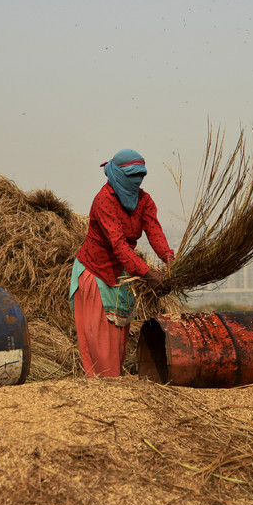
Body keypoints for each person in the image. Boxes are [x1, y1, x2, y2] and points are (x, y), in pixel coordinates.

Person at [69, 148, 175, 377]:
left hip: (121, 276)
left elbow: (155, 233)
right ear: (117, 174)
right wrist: (148, 274)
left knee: (116, 344)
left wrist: (170, 262)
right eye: (132, 176)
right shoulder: (104, 200)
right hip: (95, 276)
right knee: (100, 345)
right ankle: (103, 394)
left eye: (142, 176)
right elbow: (118, 245)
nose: (138, 181)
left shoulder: (144, 201)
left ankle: (113, 392)